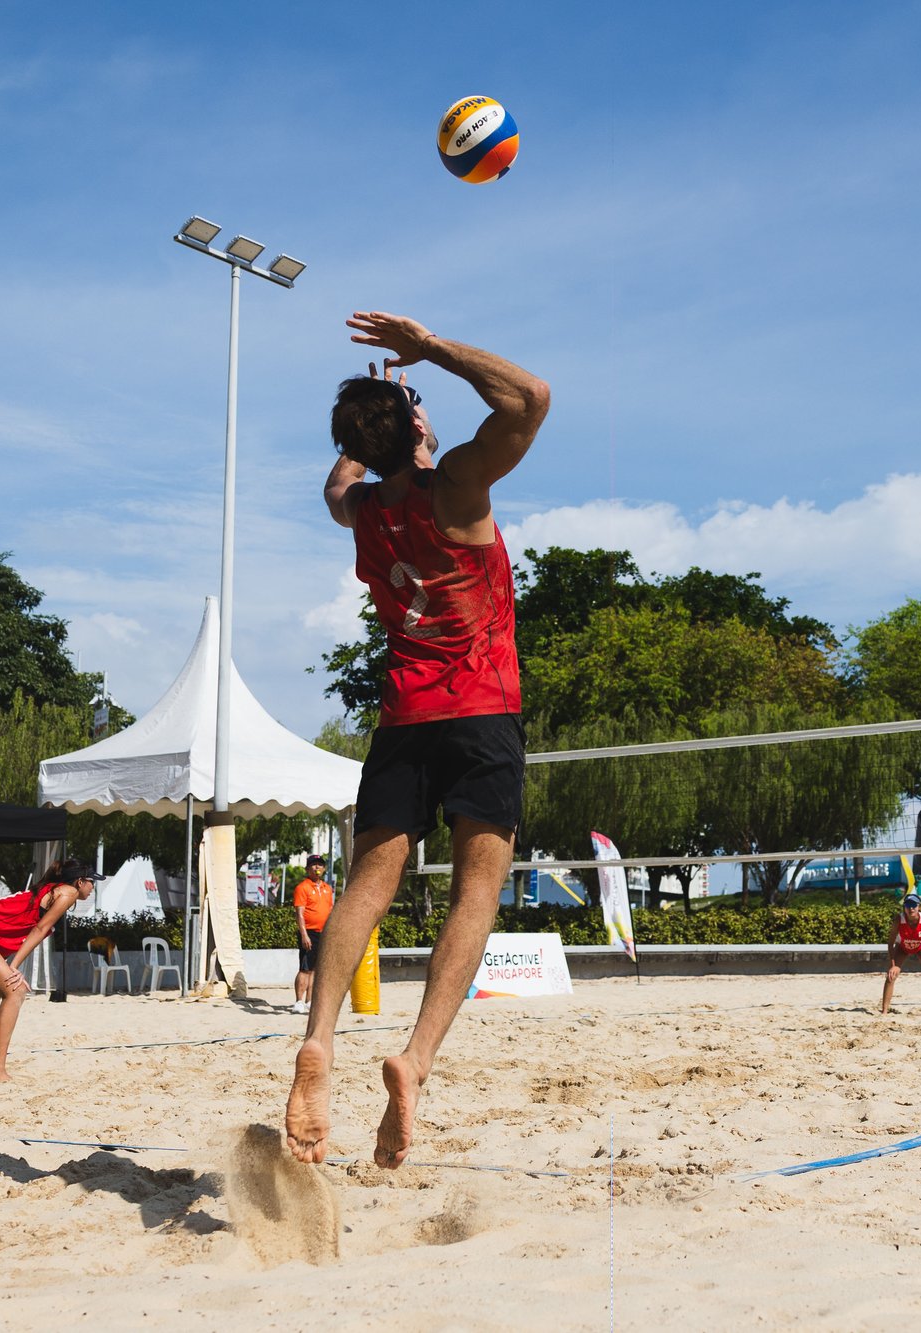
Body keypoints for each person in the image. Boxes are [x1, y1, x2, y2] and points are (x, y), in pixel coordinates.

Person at [285, 309, 550, 1169]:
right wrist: (429, 351)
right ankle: (415, 1060)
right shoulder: (458, 487)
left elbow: (336, 486)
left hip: (404, 719)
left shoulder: (361, 508)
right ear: (422, 430)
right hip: (480, 712)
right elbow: (530, 397)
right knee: (478, 891)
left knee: (369, 880)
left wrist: (371, 430)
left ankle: (319, 1037)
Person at [0, 860, 96, 1079]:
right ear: (79, 881)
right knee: (16, 989)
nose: (92, 887)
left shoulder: (50, 889)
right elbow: (40, 929)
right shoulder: (67, 893)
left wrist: (10, 966)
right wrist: (13, 967)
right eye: (91, 882)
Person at [880, 894, 921, 1014]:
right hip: (903, 947)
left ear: (919, 907)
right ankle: (884, 1011)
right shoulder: (899, 920)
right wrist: (892, 965)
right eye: (908, 905)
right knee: (891, 975)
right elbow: (890, 943)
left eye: (913, 905)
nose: (911, 908)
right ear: (904, 907)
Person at [291, 855, 334, 1014]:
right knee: (305, 968)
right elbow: (299, 913)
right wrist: (304, 935)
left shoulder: (327, 888)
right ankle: (299, 1001)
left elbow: (330, 910)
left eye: (320, 865)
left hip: (324, 932)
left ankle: (309, 1001)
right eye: (314, 865)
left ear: (324, 869)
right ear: (307, 869)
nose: (317, 868)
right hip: (309, 932)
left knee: (316, 968)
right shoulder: (302, 887)